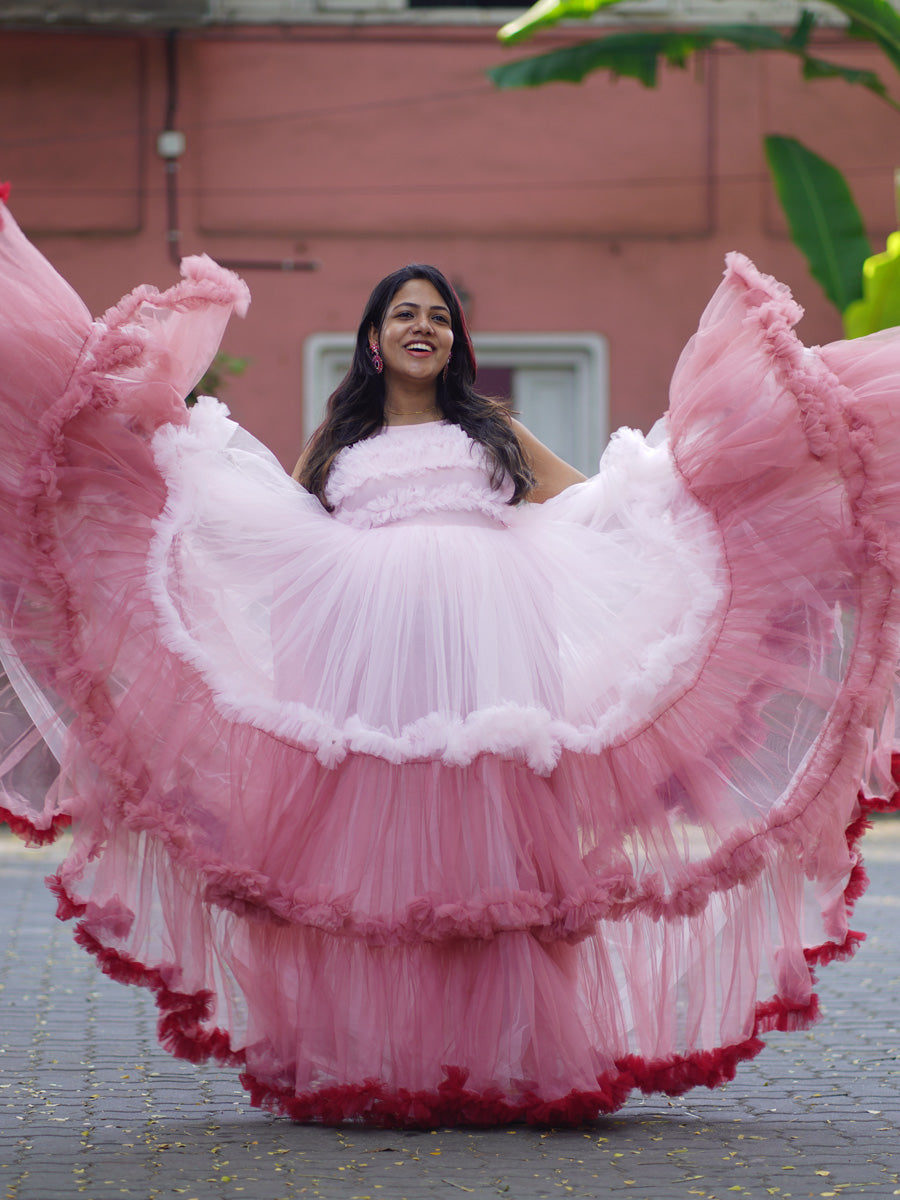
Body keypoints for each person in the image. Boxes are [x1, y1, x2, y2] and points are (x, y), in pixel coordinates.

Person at [0, 183, 899, 1129]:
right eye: (404, 314)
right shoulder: (338, 440)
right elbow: (283, 540)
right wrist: (180, 478)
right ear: (374, 339)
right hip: (374, 687)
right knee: (383, 867)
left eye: (438, 317)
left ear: (456, 345)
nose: (422, 327)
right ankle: (381, 1064)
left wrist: (680, 493)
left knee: (494, 867)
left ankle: (512, 1065)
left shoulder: (493, 432)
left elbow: (589, 506)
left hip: (492, 678)